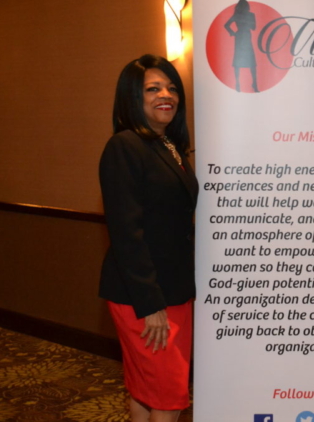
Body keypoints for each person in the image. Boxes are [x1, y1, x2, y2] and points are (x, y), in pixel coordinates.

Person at [99, 54, 199, 422]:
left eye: (172, 88)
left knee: (147, 390)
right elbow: (126, 232)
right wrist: (150, 304)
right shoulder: (124, 146)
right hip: (145, 296)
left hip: (175, 291)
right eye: (153, 89)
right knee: (169, 397)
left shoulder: (170, 146)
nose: (166, 95)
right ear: (132, 97)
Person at [224, 0, 259, 92]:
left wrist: (234, 32)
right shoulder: (239, 15)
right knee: (239, 61)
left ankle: (253, 83)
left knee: (250, 61)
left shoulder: (248, 15)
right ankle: (238, 83)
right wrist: (232, 32)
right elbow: (226, 25)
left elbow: (254, 27)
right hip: (241, 37)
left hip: (244, 37)